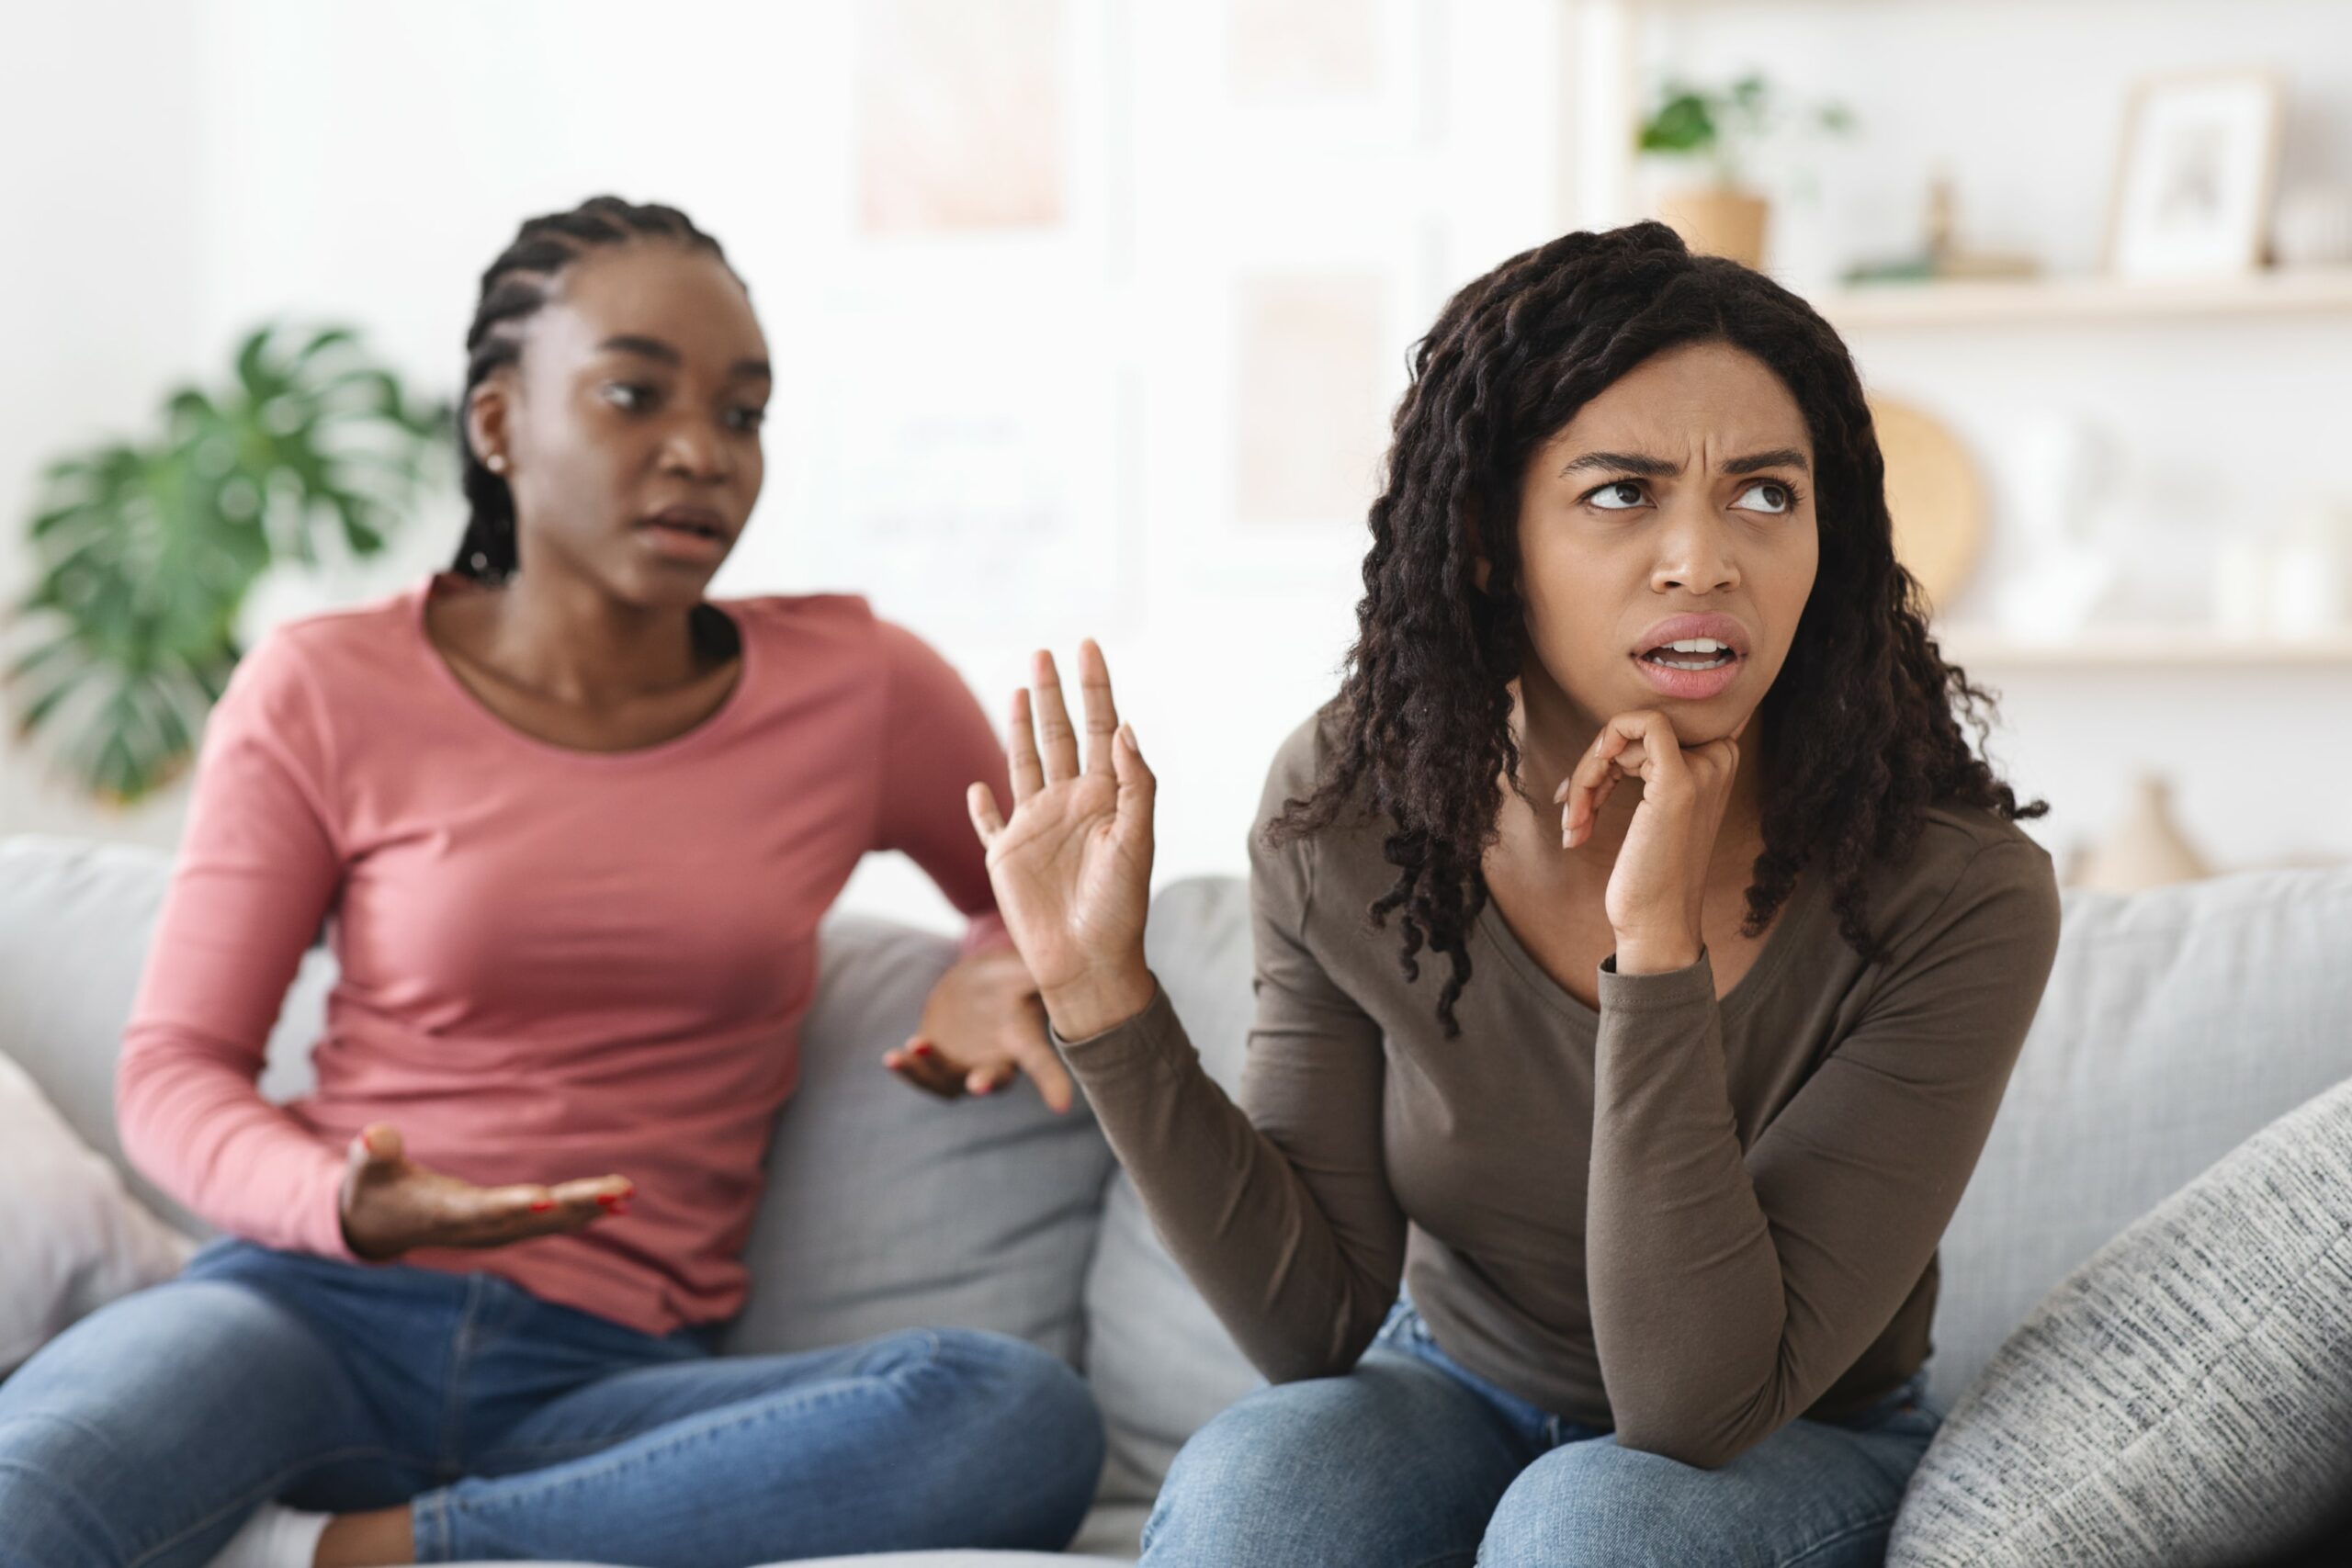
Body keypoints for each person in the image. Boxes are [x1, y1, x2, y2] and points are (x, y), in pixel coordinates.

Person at [0, 197, 1103, 1568]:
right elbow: (173, 1069)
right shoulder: (324, 685)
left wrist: (996, 976)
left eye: (744, 413)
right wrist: (342, 1201)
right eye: (635, 395)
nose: (702, 452)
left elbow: (1039, 886)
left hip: (607, 1377)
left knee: (1012, 1415)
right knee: (29, 1491)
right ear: (499, 424)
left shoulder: (860, 688)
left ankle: (351, 1552)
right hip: (305, 1311)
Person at [969, 220, 2064, 1565]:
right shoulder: (1357, 802)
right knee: (1264, 1483)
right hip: (1457, 1388)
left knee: (1589, 1524)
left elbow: (1696, 1403)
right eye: (1623, 492)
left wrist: (1651, 949)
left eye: (1767, 495)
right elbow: (1311, 1325)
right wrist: (1102, 994)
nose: (1703, 559)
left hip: (1787, 1443)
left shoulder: (1956, 891)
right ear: (1490, 539)